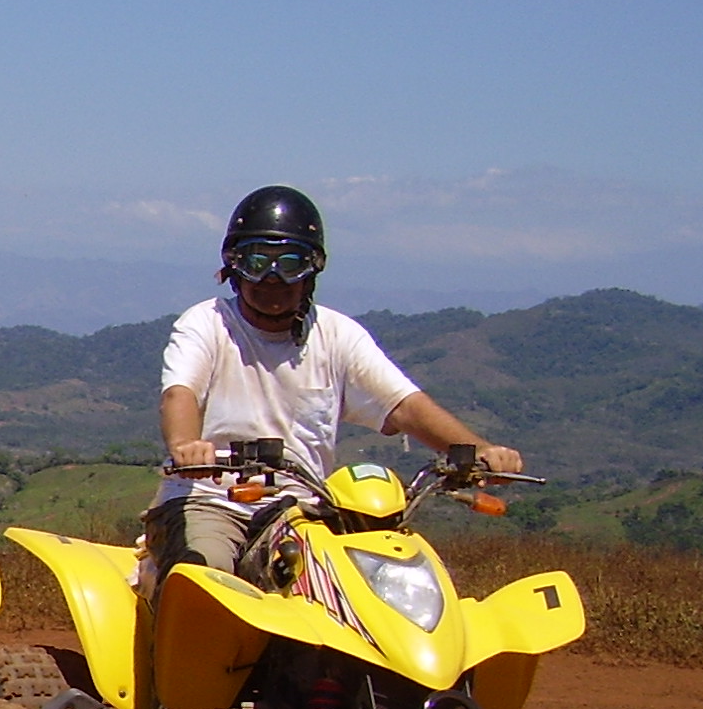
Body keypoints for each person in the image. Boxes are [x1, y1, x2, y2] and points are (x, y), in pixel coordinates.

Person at [150, 184, 521, 581]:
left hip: (304, 511)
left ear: (312, 269)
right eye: (258, 261)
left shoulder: (338, 334)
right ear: (234, 266)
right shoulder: (206, 323)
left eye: (289, 263)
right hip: (211, 501)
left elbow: (404, 405)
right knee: (205, 575)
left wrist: (480, 452)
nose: (272, 278)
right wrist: (186, 446)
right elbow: (180, 393)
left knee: (374, 584)